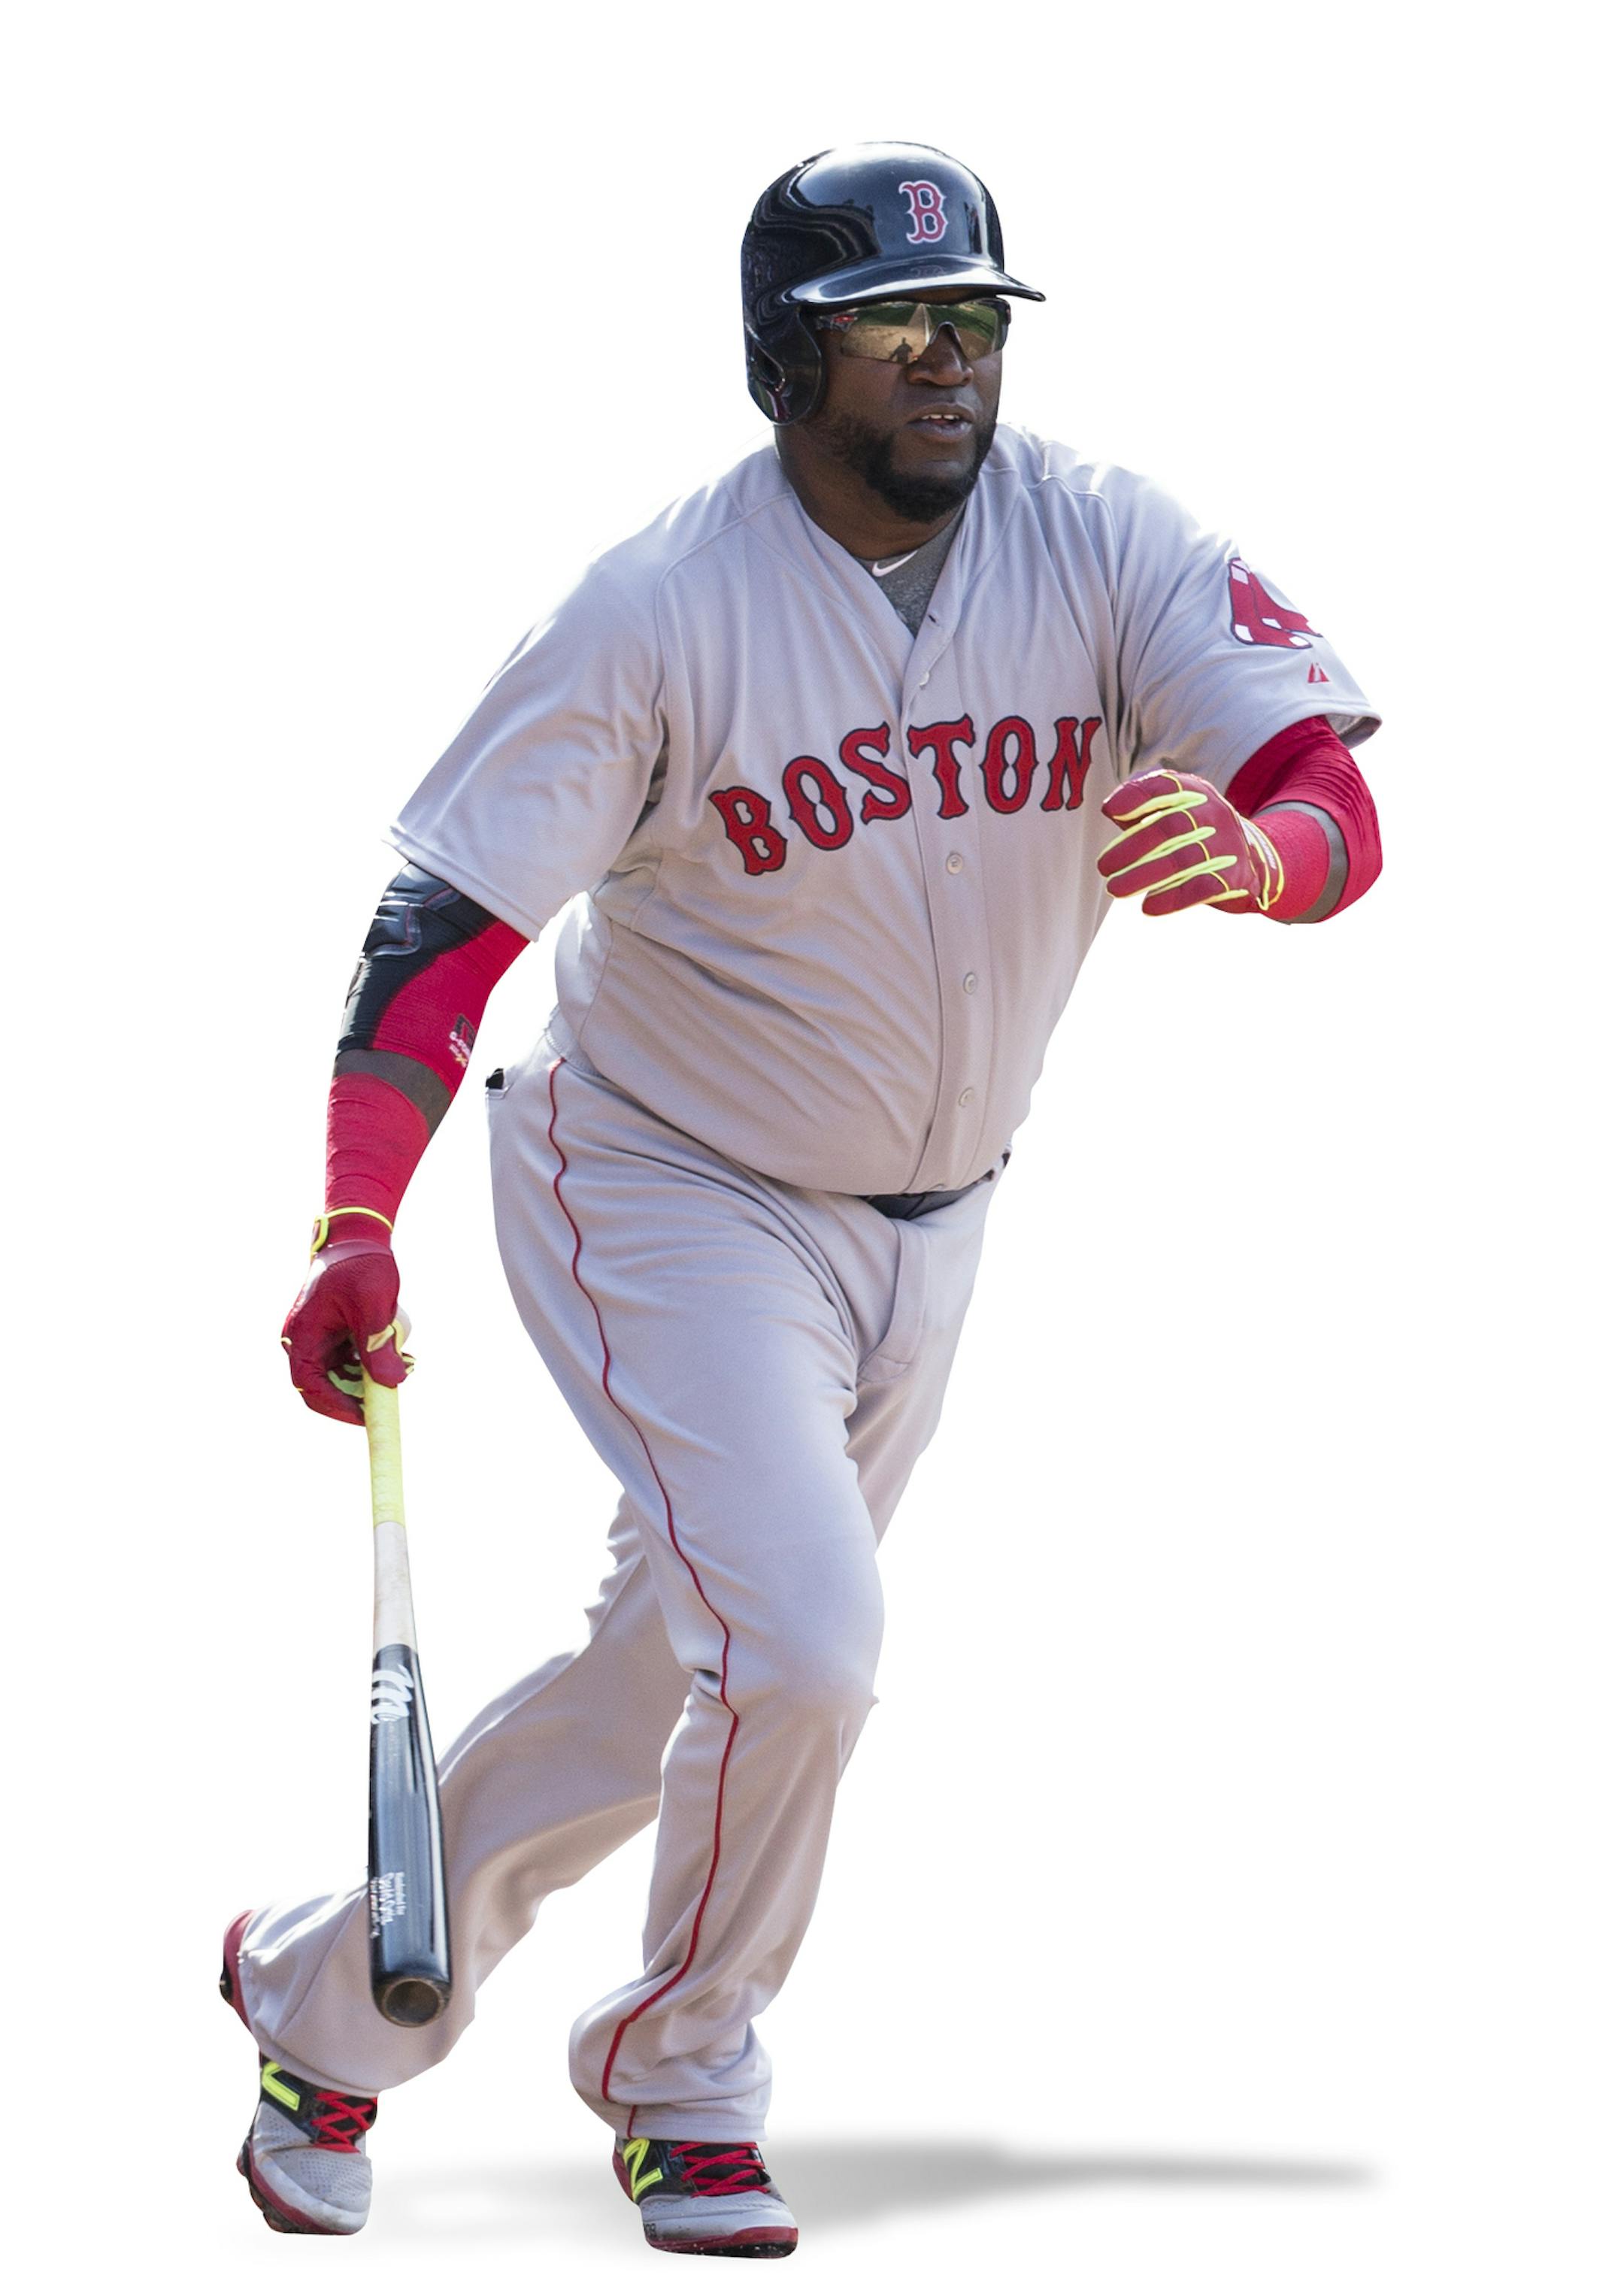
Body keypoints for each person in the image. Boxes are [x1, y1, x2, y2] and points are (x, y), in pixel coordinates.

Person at [221, 141, 1383, 2256]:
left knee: (681, 1652)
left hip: (934, 1223)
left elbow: (1327, 784)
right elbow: (448, 924)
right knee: (814, 1644)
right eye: (900, 327)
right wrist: (353, 1213)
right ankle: (687, 2068)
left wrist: (1285, 858)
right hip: (657, 1183)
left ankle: (324, 1991)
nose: (953, 363)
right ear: (785, 364)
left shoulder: (1101, 538)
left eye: (979, 321)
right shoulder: (659, 608)